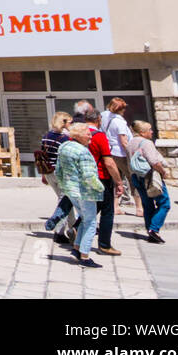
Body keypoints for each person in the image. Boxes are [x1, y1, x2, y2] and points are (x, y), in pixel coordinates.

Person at [56, 123, 104, 268]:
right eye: (87, 133)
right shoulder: (83, 152)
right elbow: (89, 176)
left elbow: (58, 170)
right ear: (78, 135)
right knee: (91, 223)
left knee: (84, 219)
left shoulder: (64, 147)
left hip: (70, 190)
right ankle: (85, 256)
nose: (90, 136)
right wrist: (101, 188)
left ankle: (77, 249)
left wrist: (64, 186)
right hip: (85, 192)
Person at [81, 106, 124, 257]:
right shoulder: (99, 136)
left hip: (84, 176)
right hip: (101, 177)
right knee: (107, 211)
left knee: (92, 207)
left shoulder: (78, 135)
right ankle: (104, 245)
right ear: (99, 119)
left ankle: (75, 229)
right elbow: (109, 163)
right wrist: (119, 182)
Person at [128, 120, 171, 243]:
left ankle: (149, 230)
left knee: (147, 205)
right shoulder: (146, 143)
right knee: (164, 203)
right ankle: (154, 229)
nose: (152, 132)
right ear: (142, 132)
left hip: (136, 176)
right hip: (150, 177)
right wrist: (163, 172)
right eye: (149, 130)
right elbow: (154, 162)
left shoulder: (130, 143)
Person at [40, 112, 76, 244]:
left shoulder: (46, 136)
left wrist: (43, 175)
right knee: (64, 202)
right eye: (70, 122)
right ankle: (59, 231)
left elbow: (44, 155)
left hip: (49, 172)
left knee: (66, 201)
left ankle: (73, 229)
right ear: (64, 123)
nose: (72, 125)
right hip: (60, 173)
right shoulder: (65, 139)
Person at [101, 98, 139, 217]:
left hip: (112, 152)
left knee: (116, 180)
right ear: (121, 109)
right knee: (133, 179)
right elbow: (123, 141)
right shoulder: (120, 122)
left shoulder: (107, 118)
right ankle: (139, 207)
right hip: (122, 154)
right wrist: (132, 153)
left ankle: (115, 206)